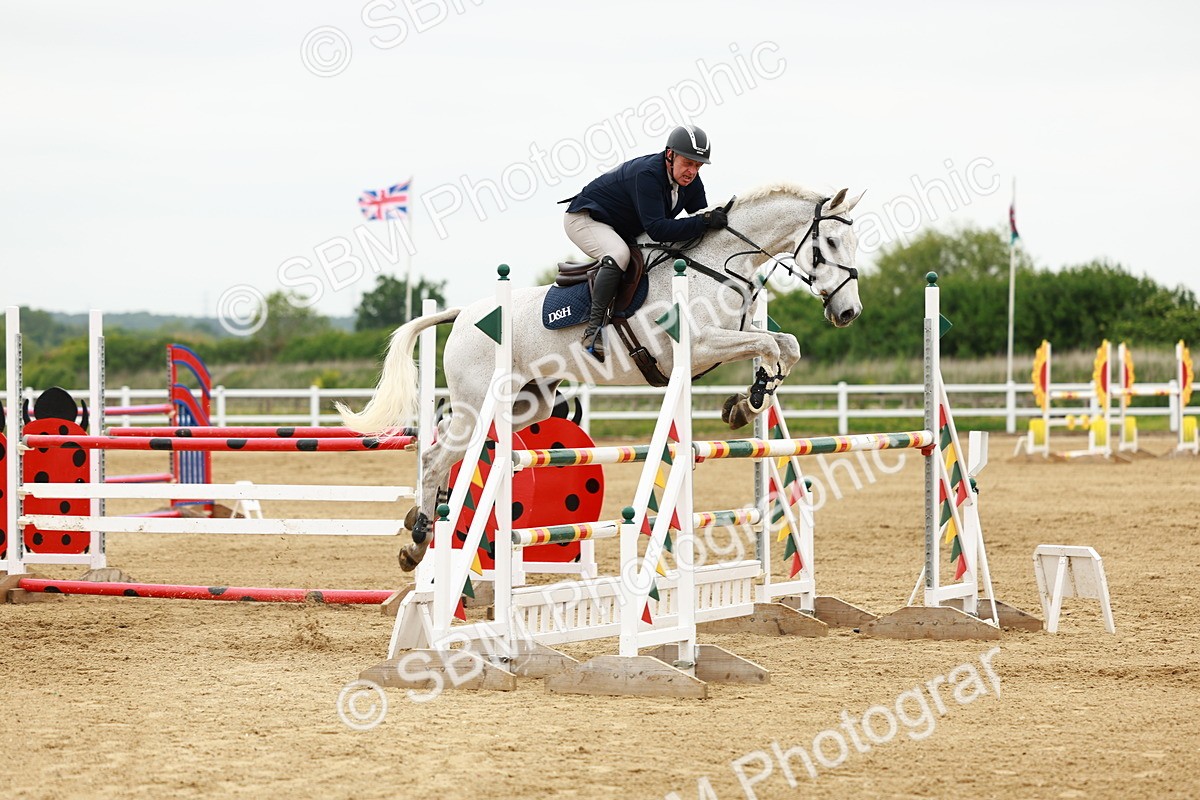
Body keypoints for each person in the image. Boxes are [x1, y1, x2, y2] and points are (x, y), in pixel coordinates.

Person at [561, 124, 728, 361]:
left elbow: (700, 218)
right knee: (619, 254)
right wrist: (705, 221)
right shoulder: (648, 174)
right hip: (585, 218)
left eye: (698, 165)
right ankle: (594, 330)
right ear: (670, 155)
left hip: (621, 225)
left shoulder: (691, 182)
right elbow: (659, 229)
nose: (692, 171)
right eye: (688, 163)